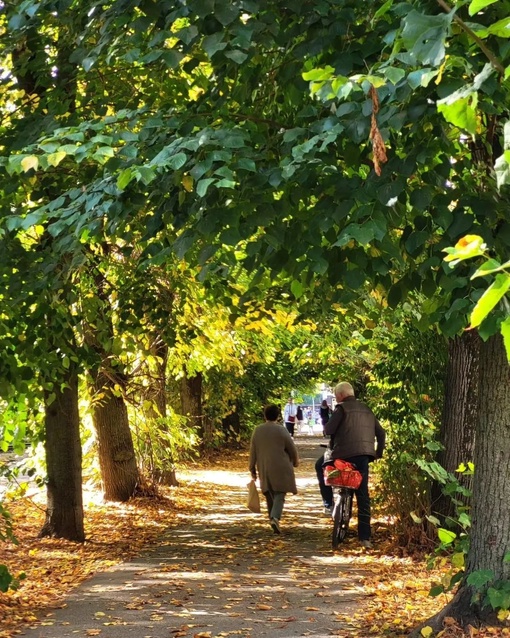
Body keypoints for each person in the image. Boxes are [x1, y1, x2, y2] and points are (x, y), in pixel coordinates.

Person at [315, 382, 385, 549]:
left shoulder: (342, 409)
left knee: (320, 467)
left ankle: (329, 503)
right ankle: (365, 537)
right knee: (362, 494)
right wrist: (377, 453)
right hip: (363, 456)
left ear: (340, 395)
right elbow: (381, 433)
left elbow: (329, 430)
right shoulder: (367, 409)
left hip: (342, 456)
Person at [249, 404, 299, 534]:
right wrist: (295, 461)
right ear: (278, 416)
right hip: (281, 466)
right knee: (280, 493)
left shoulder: (257, 430)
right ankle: (275, 518)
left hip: (264, 466)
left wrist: (252, 468)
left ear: (265, 415)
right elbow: (291, 448)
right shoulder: (281, 430)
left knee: (268, 492)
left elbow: (253, 451)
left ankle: (272, 518)